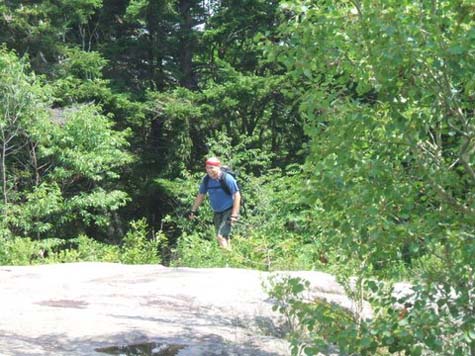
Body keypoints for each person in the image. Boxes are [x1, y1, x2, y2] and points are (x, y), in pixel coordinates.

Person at [189, 157, 241, 250]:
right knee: (224, 237)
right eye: (207, 168)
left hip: (229, 210)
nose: (209, 170)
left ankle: (227, 260)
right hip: (217, 212)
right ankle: (230, 261)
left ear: (218, 167)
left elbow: (237, 195)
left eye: (212, 167)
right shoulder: (206, 180)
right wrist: (193, 210)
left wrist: (234, 215)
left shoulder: (227, 178)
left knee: (220, 236)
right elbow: (201, 195)